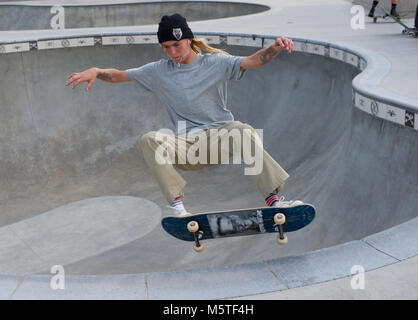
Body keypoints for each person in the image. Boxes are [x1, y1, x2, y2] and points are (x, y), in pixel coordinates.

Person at [66, 13, 303, 216]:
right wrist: (97, 71)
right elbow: (119, 75)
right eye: (166, 47)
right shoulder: (158, 71)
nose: (172, 52)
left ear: (189, 40)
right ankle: (178, 208)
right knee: (150, 139)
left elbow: (254, 61)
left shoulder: (216, 63)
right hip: (188, 149)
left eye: (176, 45)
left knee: (242, 130)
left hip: (220, 140)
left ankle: (273, 202)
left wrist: (275, 47)